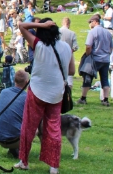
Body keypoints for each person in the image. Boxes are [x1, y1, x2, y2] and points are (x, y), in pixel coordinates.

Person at [15, 19, 74, 173]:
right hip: (57, 93)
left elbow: (22, 26)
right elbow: (72, 71)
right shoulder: (66, 47)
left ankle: (24, 161)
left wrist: (42, 25)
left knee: (29, 126)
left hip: (37, 91)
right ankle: (53, 166)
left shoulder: (39, 45)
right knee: (53, 129)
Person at [78, 14, 113, 106]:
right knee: (105, 79)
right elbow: (111, 48)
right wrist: (107, 54)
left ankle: (83, 98)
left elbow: (88, 46)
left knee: (88, 78)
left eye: (90, 22)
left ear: (95, 22)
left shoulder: (93, 32)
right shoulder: (108, 33)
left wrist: (87, 55)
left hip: (94, 59)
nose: (90, 24)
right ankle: (105, 99)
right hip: (106, 59)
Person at [0, 70, 29, 159]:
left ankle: (13, 150)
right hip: (15, 140)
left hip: (0, 139)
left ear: (14, 80)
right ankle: (22, 152)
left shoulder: (3, 92)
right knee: (36, 125)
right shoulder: (27, 97)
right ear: (27, 82)